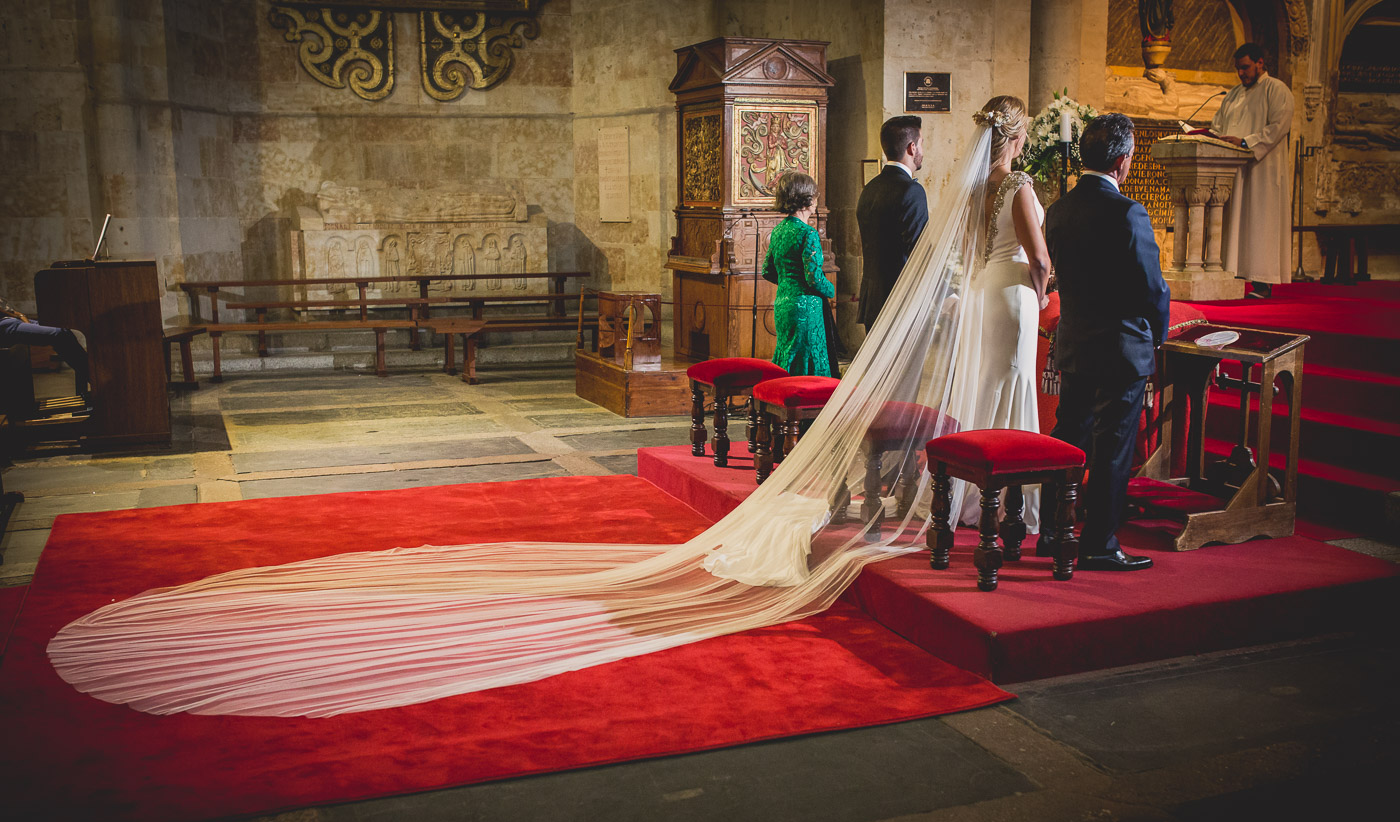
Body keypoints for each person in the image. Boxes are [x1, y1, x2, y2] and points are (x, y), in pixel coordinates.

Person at [48, 110, 1014, 719]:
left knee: (803, 382)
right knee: (811, 382)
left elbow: (780, 270)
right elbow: (815, 273)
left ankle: (817, 463)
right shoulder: (868, 213)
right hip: (824, 310)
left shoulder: (830, 211)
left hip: (811, 308)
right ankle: (846, 470)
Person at [1041, 113, 1170, 571]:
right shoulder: (1127, 212)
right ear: (1121, 161)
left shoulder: (1060, 209)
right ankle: (1098, 543)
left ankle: (1051, 532)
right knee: (1112, 448)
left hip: (1076, 343)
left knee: (1069, 438)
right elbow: (1152, 288)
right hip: (1121, 349)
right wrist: (1159, 336)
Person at [952, 96, 1051, 532]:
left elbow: (970, 249)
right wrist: (1044, 293)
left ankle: (977, 488)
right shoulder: (1017, 185)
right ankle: (1012, 495)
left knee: (989, 380)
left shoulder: (974, 186)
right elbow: (1041, 258)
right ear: (1016, 135)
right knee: (1014, 379)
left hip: (984, 285)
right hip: (1013, 290)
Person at [1210, 42, 1295, 298]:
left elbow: (1279, 125)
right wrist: (1210, 138)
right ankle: (1234, 277)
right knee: (1236, 223)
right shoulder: (1233, 95)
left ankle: (1262, 283)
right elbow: (1218, 125)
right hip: (1233, 169)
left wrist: (1246, 142)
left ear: (1260, 63)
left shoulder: (1276, 89)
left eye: (1245, 67)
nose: (1241, 73)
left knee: (1259, 223)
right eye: (1238, 69)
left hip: (1262, 170)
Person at [856, 116, 928, 331]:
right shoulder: (911, 191)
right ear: (912, 147)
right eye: (922, 143)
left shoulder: (870, 189)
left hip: (873, 301)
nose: (923, 150)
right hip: (900, 300)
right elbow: (919, 250)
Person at [762, 171, 838, 377]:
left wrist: (790, 283)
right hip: (806, 307)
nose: (816, 199)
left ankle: (779, 398)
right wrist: (830, 289)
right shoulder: (808, 233)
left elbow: (767, 270)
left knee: (787, 354)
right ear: (805, 199)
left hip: (783, 304)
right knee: (808, 357)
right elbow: (813, 277)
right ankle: (808, 405)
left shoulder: (778, 231)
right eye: (814, 195)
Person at [0, 295, 90, 405]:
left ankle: (93, 379)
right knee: (59, 335)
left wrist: (21, 317)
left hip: (13, 320)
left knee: (64, 330)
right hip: (4, 325)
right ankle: (94, 379)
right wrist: (20, 315)